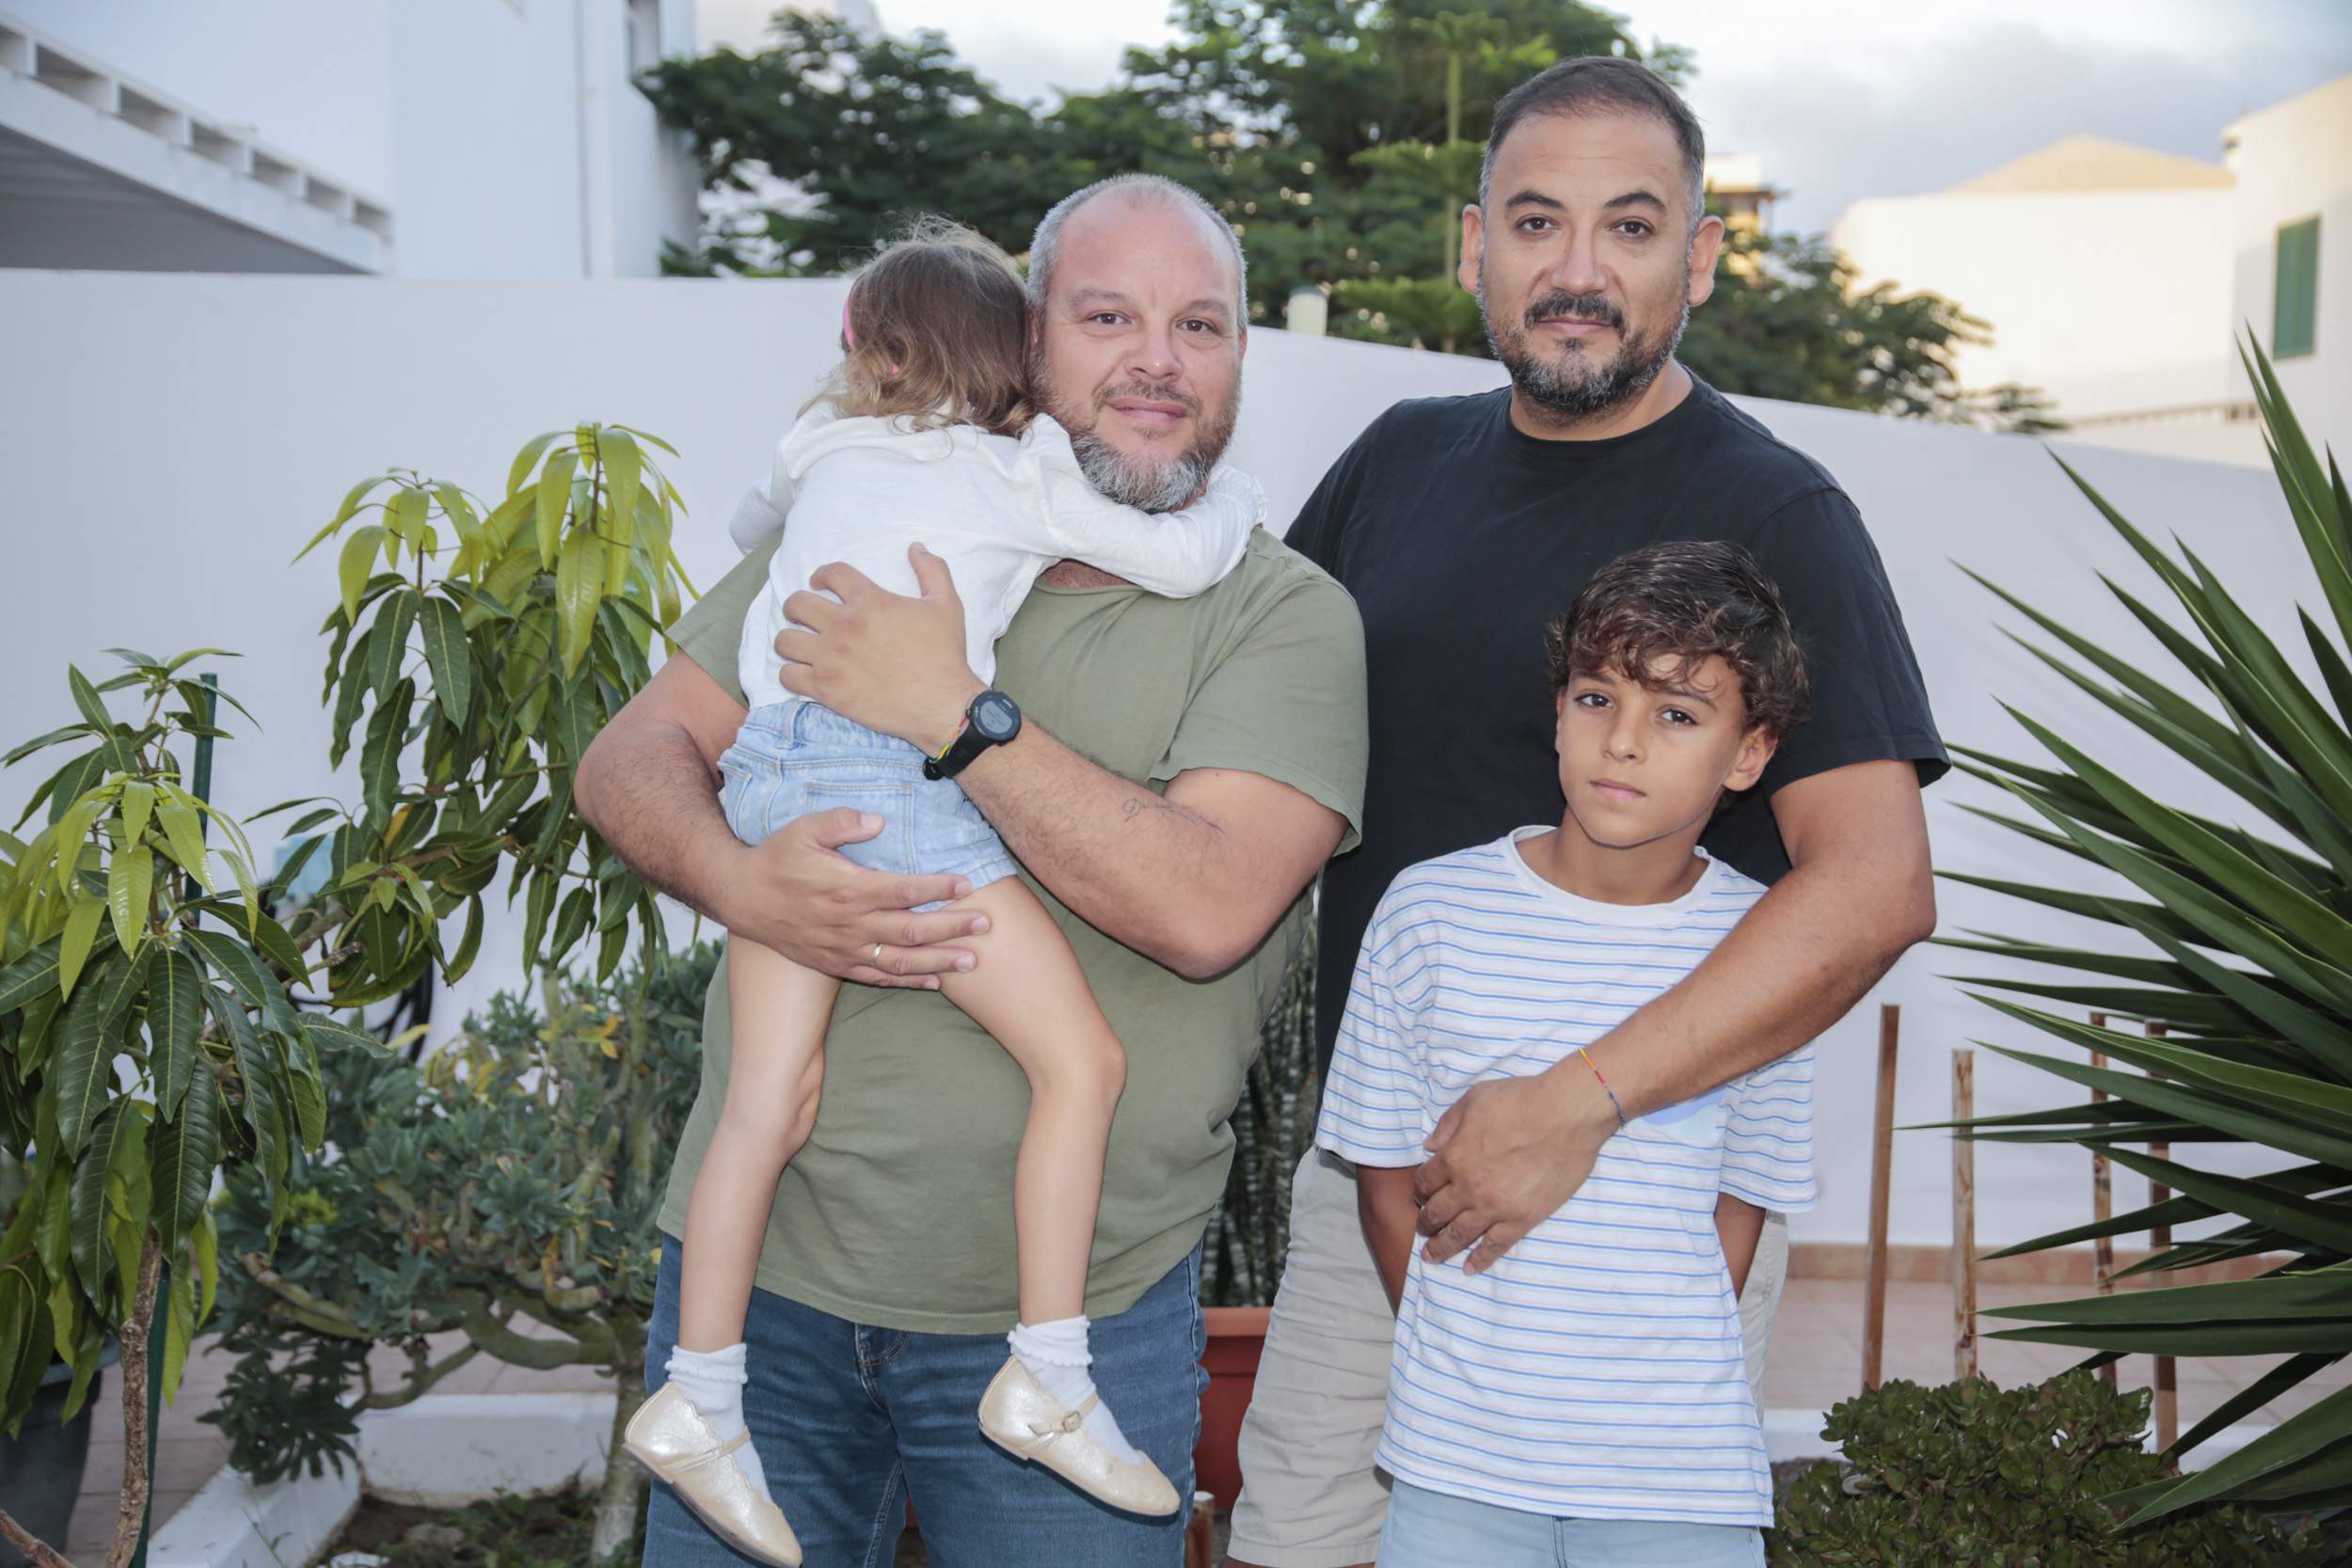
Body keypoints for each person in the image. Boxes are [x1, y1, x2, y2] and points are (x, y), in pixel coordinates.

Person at [574, 173, 1368, 1567]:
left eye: (1203, 324)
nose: (1158, 359)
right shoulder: (881, 507)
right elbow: (629, 760)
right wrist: (742, 882)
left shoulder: (1282, 611)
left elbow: (1204, 905)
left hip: (1074, 1313)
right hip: (768, 1299)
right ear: (1027, 338)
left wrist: (951, 708)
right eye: (1109, 315)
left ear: (1244, 353)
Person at [1229, 55, 1946, 1568]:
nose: (1577, 271)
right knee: (1302, 1543)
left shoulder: (1778, 509)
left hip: (1640, 1213)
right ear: (1474, 247)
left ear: (1697, 257)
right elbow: (1238, 747)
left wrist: (1577, 1106)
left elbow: (1873, 884)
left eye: (1630, 227)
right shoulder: (1392, 466)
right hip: (1386, 1190)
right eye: (1538, 223)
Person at [1324, 541, 1818, 1567]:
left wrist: (1629, 1394)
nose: (1623, 743)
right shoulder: (1429, 910)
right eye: (1597, 698)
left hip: (1677, 1478)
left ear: (1747, 753)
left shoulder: (1769, 949)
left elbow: (1738, 1211)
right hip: (1457, 1469)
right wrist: (1472, 1379)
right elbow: (1382, 1183)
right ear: (1557, 709)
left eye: (1677, 714)